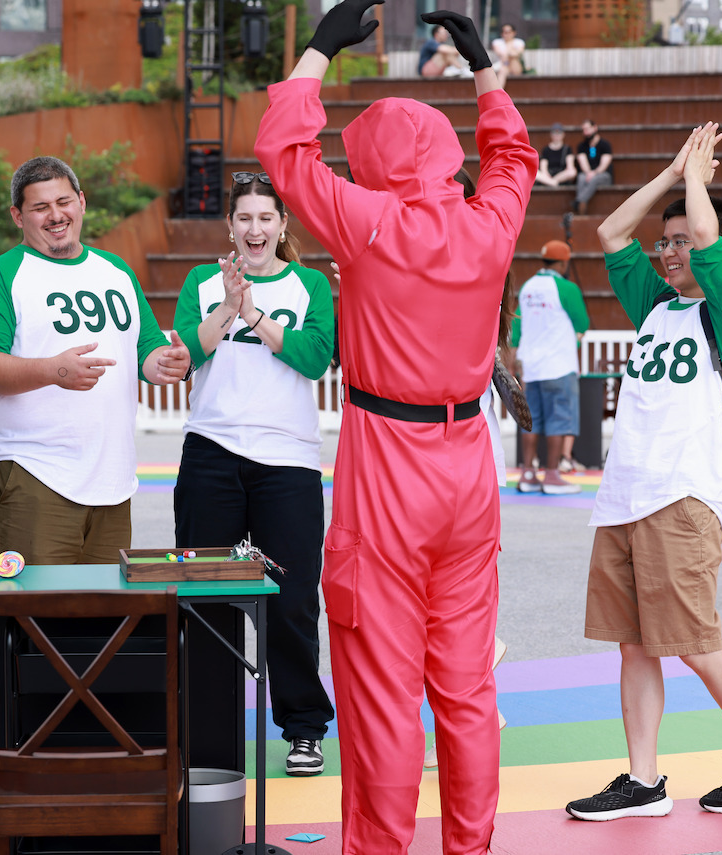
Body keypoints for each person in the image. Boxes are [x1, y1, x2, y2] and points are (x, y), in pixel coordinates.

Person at [255, 2, 536, 851]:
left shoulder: (367, 224)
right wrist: (483, 65)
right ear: (446, 155)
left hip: (388, 463)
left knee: (381, 688)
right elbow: (515, 154)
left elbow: (281, 151)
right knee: (465, 688)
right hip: (469, 467)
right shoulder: (491, 224)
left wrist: (318, 49)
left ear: (374, 162)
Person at [567, 123, 722, 821]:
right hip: (626, 496)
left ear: (710, 249)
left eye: (678, 242)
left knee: (694, 642)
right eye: (663, 242)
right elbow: (608, 232)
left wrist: (697, 180)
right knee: (634, 644)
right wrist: (670, 174)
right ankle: (643, 780)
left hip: (682, 496)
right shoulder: (657, 305)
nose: (666, 251)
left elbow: (705, 236)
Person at [172, 171, 335, 777]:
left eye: (267, 218)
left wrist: (257, 312)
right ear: (230, 226)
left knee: (291, 600)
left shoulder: (310, 284)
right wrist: (227, 305)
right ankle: (206, 731)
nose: (255, 229)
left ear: (283, 226)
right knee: (204, 597)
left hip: (287, 462)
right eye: (245, 218)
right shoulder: (201, 281)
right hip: (211, 454)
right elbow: (190, 352)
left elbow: (315, 357)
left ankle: (303, 727)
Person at [0, 155, 190, 565]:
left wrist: (164, 363)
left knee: (104, 619)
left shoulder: (116, 270)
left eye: (63, 202)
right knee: (33, 616)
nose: (55, 215)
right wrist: (52, 370)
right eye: (40, 207)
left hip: (112, 479)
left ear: (82, 202)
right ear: (17, 216)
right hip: (32, 474)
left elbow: (145, 350)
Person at [511, 239, 589, 494]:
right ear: (564, 262)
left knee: (532, 421)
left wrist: (514, 360)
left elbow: (518, 329)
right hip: (558, 365)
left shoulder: (527, 287)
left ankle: (527, 474)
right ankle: (553, 476)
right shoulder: (566, 288)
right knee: (559, 420)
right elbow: (582, 322)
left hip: (531, 366)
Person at [574, 119, 613, 215]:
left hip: (603, 175)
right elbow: (583, 163)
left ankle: (578, 201)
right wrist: (589, 173)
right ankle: (581, 212)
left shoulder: (605, 145)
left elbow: (604, 165)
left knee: (594, 179)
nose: (585, 132)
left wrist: (594, 173)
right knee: (581, 177)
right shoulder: (581, 146)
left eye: (587, 129)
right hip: (588, 174)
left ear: (595, 128)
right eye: (583, 130)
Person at [536, 122, 577, 187]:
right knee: (536, 173)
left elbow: (570, 166)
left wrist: (555, 179)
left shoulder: (567, 149)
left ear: (563, 134)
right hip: (548, 175)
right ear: (551, 135)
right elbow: (543, 168)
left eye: (559, 133)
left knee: (572, 172)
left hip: (562, 176)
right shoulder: (546, 149)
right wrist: (547, 175)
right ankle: (552, 182)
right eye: (554, 133)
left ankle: (552, 182)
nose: (557, 135)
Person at [491, 22, 525, 88]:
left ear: (514, 33)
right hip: (503, 66)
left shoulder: (519, 42)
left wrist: (510, 46)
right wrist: (512, 51)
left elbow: (518, 54)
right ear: (501, 33)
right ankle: (499, 92)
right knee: (503, 69)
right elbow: (501, 54)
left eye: (509, 32)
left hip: (515, 66)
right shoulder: (497, 42)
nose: (507, 34)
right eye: (505, 32)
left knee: (513, 59)